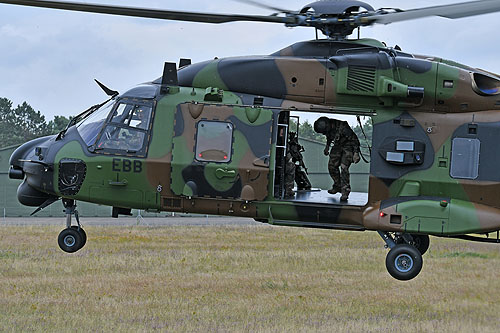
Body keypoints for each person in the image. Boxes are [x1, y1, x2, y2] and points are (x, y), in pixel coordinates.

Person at [314, 116, 360, 201]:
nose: (324, 134)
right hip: (338, 145)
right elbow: (329, 137)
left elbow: (355, 140)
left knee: (344, 168)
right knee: (331, 166)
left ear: (328, 126)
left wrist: (356, 153)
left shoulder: (343, 127)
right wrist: (327, 147)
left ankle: (345, 192)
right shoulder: (328, 128)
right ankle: (337, 185)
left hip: (348, 146)